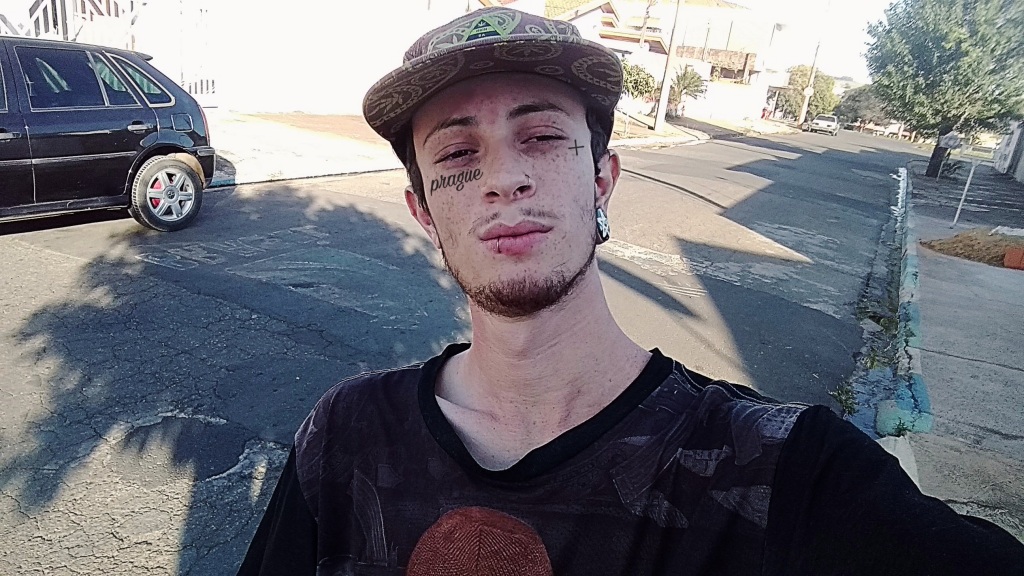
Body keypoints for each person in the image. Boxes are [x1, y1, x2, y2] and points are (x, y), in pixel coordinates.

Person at [238, 8, 1024, 575]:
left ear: (602, 180)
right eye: (457, 153)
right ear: (422, 211)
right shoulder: (344, 437)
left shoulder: (779, 469)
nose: (504, 177)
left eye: (542, 136)